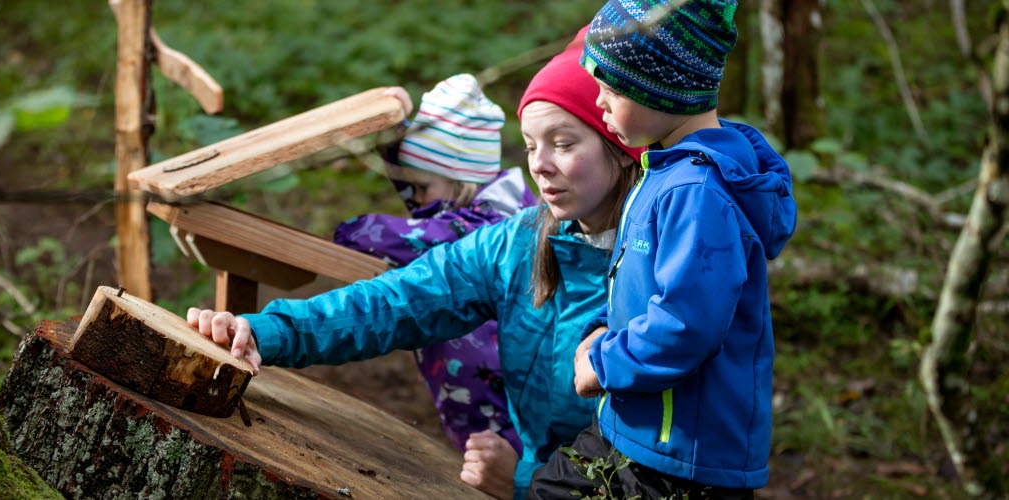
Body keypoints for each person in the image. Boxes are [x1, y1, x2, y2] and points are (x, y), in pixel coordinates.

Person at [187, 28, 645, 500]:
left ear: (621, 144)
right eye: (530, 145)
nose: (540, 164)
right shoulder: (517, 243)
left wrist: (527, 483)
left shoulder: (666, 265)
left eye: (563, 144)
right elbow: (396, 302)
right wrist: (264, 332)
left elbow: (669, 464)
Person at [530, 1, 798, 499]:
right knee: (551, 486)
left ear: (661, 88)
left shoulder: (695, 192)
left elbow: (687, 323)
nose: (600, 103)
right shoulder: (668, 173)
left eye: (610, 88)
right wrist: (603, 331)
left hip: (679, 459)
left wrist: (606, 362)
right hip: (641, 431)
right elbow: (651, 288)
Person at [333, 73, 535, 456]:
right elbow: (413, 182)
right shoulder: (483, 200)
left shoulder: (485, 226)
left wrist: (352, 229)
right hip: (476, 398)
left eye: (424, 188)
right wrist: (391, 129)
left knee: (503, 474)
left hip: (505, 406)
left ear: (460, 179)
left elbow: (404, 236)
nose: (416, 199)